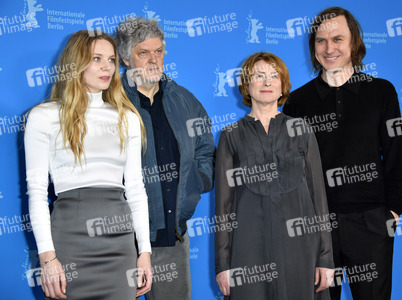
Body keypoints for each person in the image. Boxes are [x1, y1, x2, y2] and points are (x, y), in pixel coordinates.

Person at [283, 7, 402, 300]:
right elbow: (291, 168)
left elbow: (395, 155)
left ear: (354, 43)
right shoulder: (298, 102)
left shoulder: (381, 92)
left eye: (338, 39)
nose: (329, 48)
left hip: (371, 223)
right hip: (317, 226)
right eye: (321, 41)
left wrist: (392, 210)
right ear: (313, 47)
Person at [24, 30, 152, 299]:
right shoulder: (43, 117)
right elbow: (36, 192)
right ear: (76, 62)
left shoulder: (127, 118)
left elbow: (137, 190)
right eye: (96, 58)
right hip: (70, 240)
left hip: (120, 244)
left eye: (111, 59)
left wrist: (144, 252)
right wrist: (48, 258)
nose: (107, 67)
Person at [215, 52, 334, 300]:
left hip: (301, 250)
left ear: (283, 85)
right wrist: (223, 265)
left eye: (273, 76)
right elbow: (223, 208)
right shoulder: (231, 135)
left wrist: (325, 258)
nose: (267, 82)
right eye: (259, 76)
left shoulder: (301, 130)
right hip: (249, 251)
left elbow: (319, 198)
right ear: (247, 85)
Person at [114, 17, 215, 300]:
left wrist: (199, 182)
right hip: (122, 241)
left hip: (172, 238)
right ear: (124, 57)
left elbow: (206, 149)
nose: (153, 60)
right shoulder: (110, 102)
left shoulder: (184, 100)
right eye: (143, 53)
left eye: (158, 51)